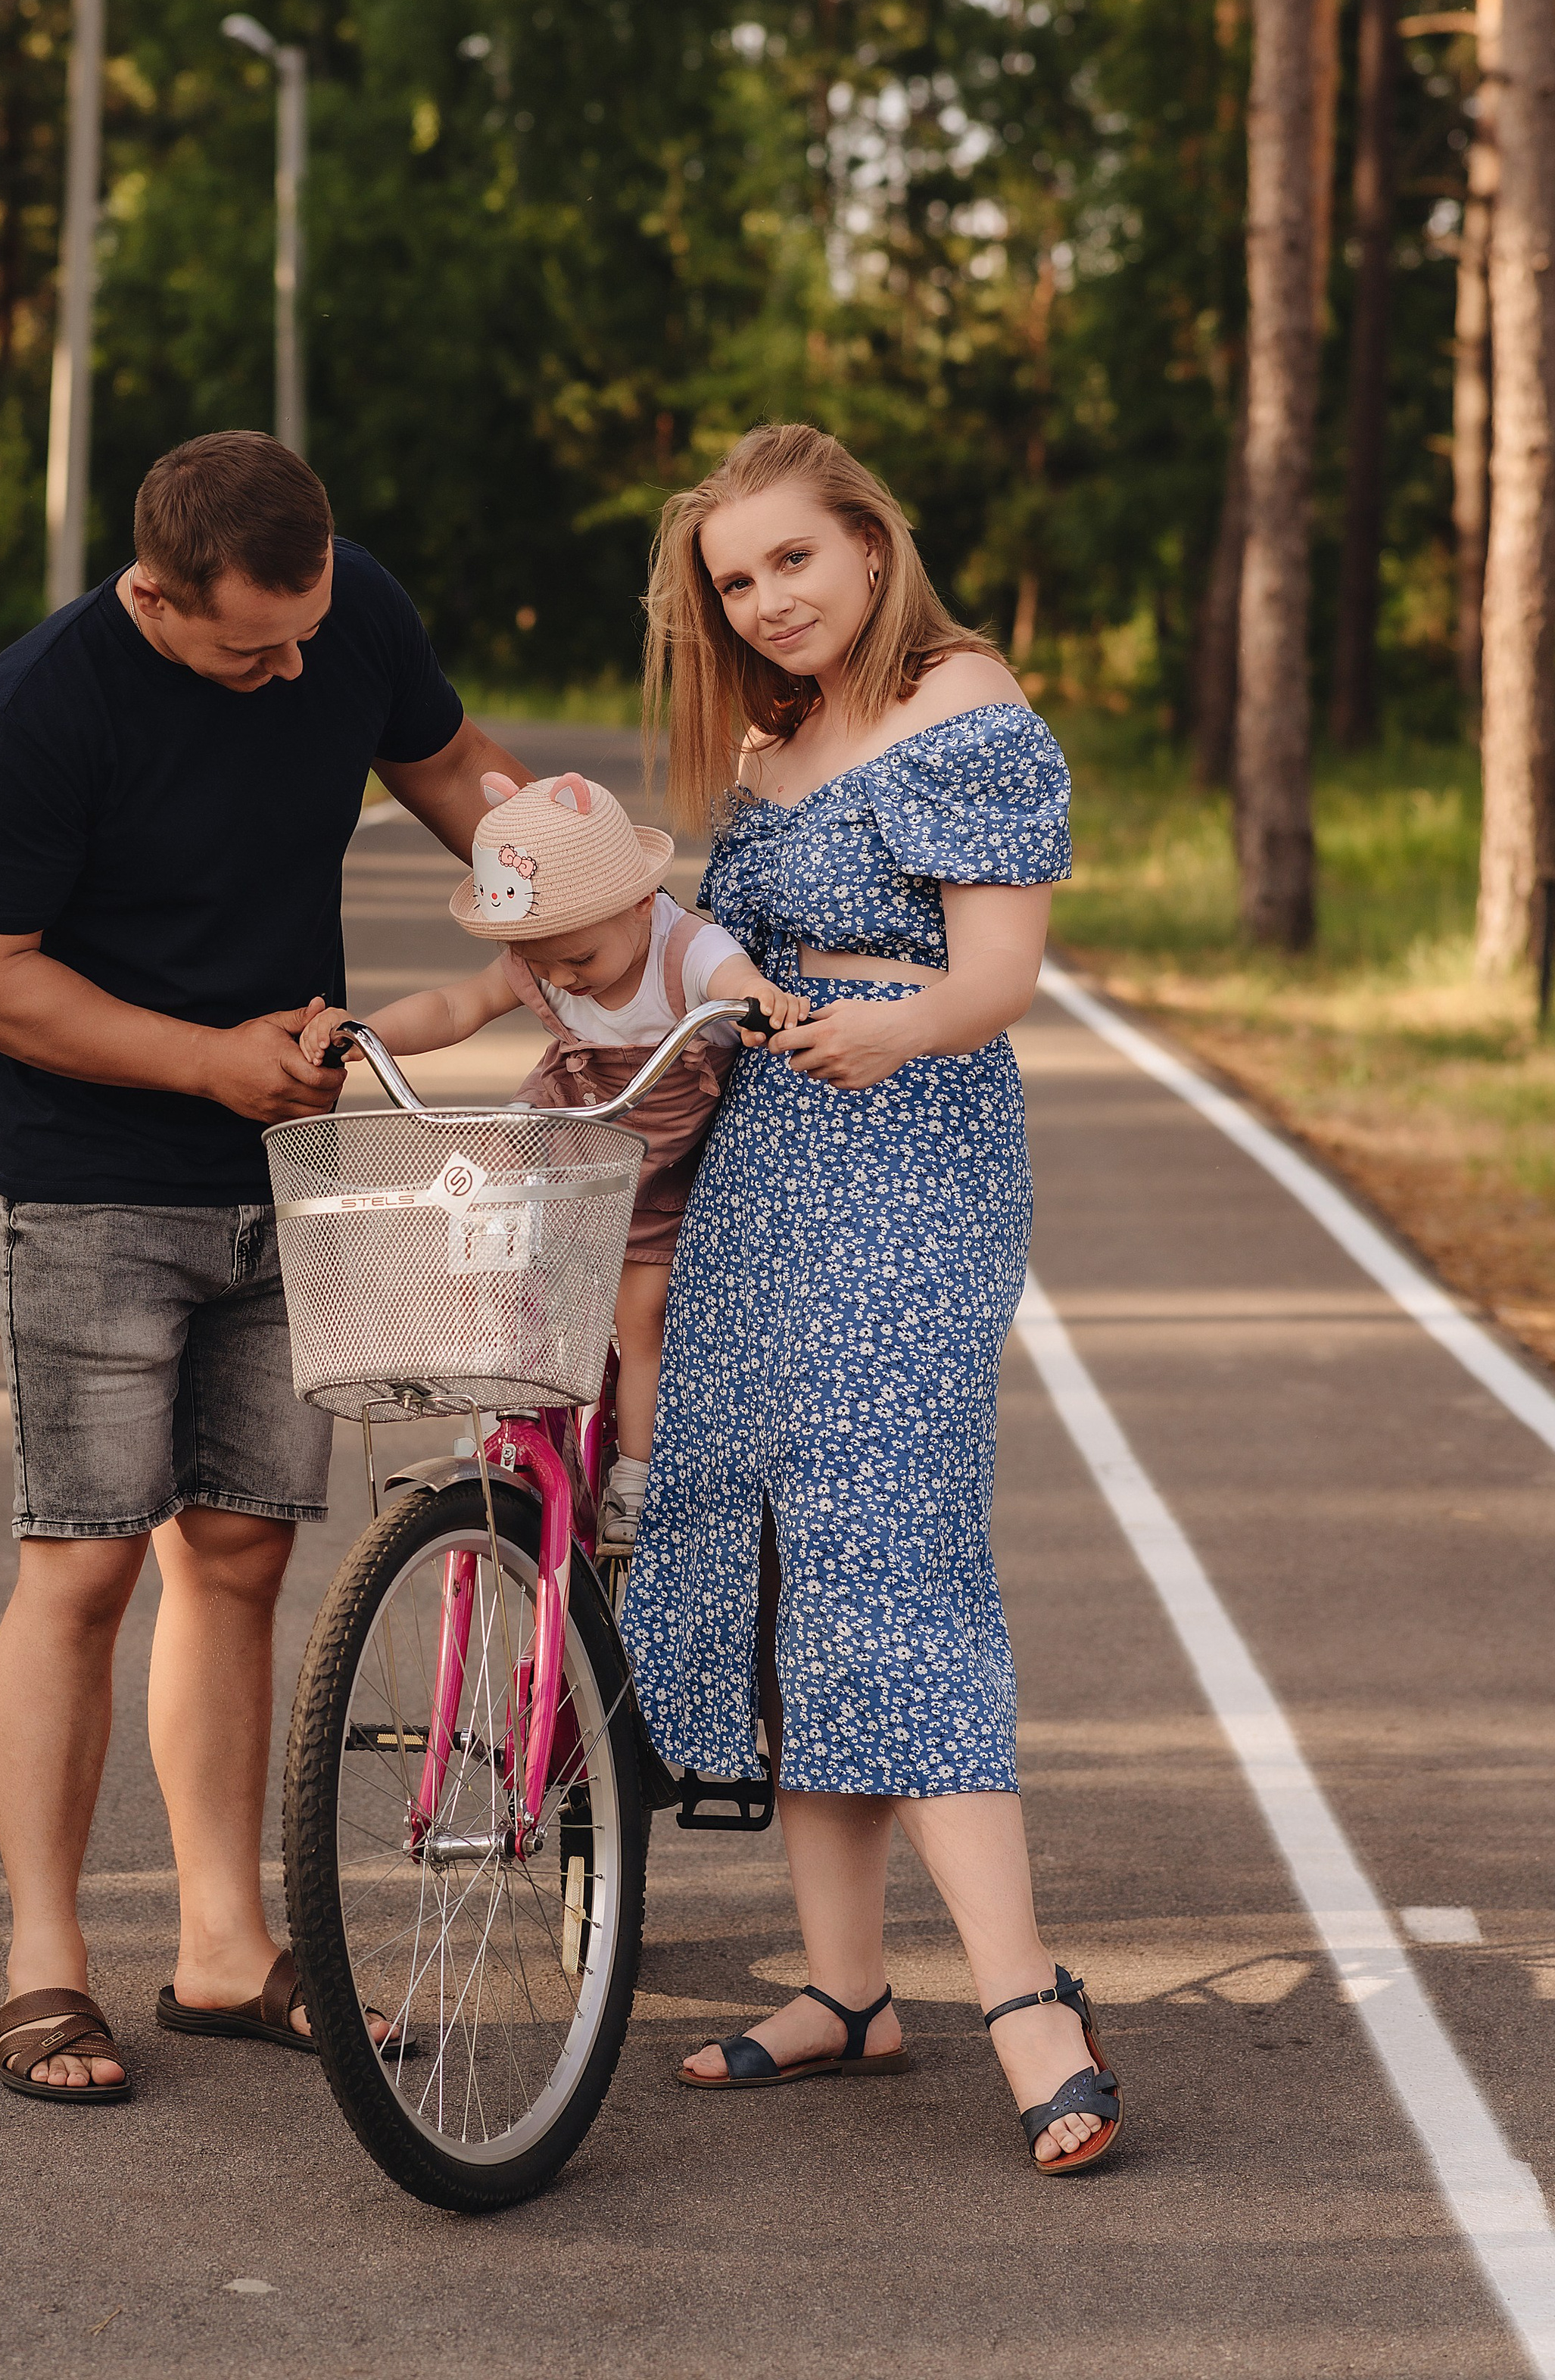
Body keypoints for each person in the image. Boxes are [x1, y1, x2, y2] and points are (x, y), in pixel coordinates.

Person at [0, 428, 532, 2102]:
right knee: (83, 1565)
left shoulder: (346, 620)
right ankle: (45, 1960)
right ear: (153, 594)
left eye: (306, 630)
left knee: (244, 1556)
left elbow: (466, 781)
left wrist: (591, 896)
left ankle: (219, 1944)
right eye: (245, 645)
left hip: (297, 1170)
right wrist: (202, 1060)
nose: (285, 671)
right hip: (95, 1188)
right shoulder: (38, 712)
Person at [619, 419, 1122, 2173]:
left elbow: (996, 976)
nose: (766, 603)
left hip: (908, 1148)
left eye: (790, 562)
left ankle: (1024, 2002)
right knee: (777, 1554)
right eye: (735, 583)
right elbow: (700, 952)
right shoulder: (770, 735)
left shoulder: (959, 701)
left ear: (864, 540)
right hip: (762, 1161)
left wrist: (883, 1025)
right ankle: (843, 1988)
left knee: (887, 1552)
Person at [300, 771, 804, 1551]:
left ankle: (633, 1479)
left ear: (641, 903)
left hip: (662, 1169)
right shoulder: (544, 956)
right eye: (538, 959)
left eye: (577, 956)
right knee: (502, 1259)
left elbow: (732, 977)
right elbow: (455, 1005)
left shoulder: (684, 948)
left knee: (642, 1316)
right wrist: (369, 1033)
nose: (561, 977)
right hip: (573, 1143)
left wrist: (757, 998)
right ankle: (514, 1415)